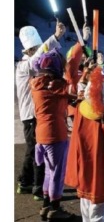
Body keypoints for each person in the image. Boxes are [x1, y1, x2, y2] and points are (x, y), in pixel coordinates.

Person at [65, 66, 104, 221]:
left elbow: (81, 91)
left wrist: (88, 75)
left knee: (86, 205)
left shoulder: (81, 108)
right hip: (100, 168)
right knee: (100, 210)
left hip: (84, 165)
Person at [32, 43, 83, 220]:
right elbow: (73, 82)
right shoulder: (56, 85)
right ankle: (55, 208)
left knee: (48, 171)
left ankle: (46, 205)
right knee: (57, 173)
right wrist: (80, 47)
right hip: (55, 134)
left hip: (41, 135)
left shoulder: (38, 84)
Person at [15, 22, 65, 200]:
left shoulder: (30, 64)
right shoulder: (23, 66)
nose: (38, 52)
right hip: (31, 114)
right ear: (29, 50)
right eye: (35, 49)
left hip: (34, 113)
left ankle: (24, 182)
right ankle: (37, 187)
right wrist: (55, 37)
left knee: (32, 149)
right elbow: (39, 57)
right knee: (37, 150)